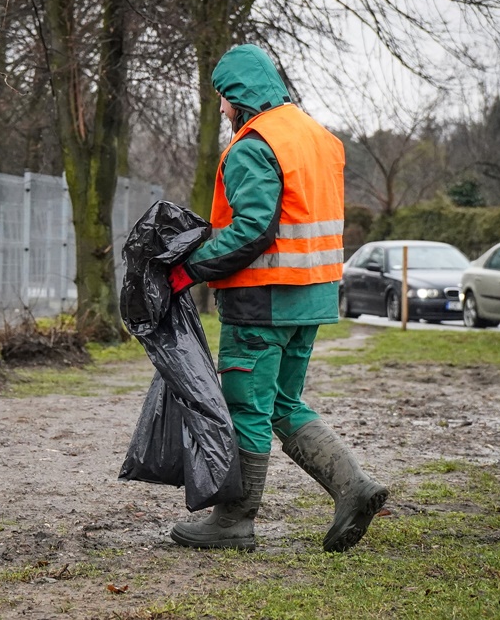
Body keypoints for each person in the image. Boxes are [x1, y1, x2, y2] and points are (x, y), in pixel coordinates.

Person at [166, 44, 388, 553]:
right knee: (282, 402)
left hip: (260, 300)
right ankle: (353, 486)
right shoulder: (317, 138)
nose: (222, 109)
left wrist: (189, 268)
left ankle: (233, 520)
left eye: (223, 98)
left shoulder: (253, 144)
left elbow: (252, 230)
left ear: (239, 95)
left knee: (246, 403)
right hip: (310, 298)